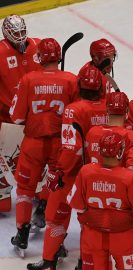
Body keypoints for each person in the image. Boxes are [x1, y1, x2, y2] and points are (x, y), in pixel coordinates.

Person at [27, 65, 108, 270]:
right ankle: (85, 262)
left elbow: (72, 149)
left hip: (72, 174)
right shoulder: (108, 107)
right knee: (90, 224)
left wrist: (59, 171)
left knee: (56, 217)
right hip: (99, 176)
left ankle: (49, 261)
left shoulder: (74, 109)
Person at [9, 38, 78, 256]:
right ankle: (56, 237)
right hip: (60, 143)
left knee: (25, 189)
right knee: (59, 188)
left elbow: (17, 117)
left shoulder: (28, 79)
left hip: (33, 143)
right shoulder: (71, 80)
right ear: (58, 57)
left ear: (40, 57)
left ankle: (22, 232)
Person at [67, 131, 133, 270]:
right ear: (121, 152)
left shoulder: (86, 171)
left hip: (93, 236)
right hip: (123, 238)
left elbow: (76, 204)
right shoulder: (130, 177)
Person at [0, 14, 42, 213]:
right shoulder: (0, 52)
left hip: (35, 118)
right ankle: (3, 193)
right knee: (7, 161)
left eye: (21, 31)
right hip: (8, 120)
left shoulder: (38, 46)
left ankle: (38, 189)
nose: (20, 36)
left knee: (37, 160)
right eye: (15, 33)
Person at [86, 91, 133, 178]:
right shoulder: (131, 136)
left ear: (107, 110)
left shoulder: (92, 132)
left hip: (94, 185)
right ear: (127, 111)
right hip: (118, 187)